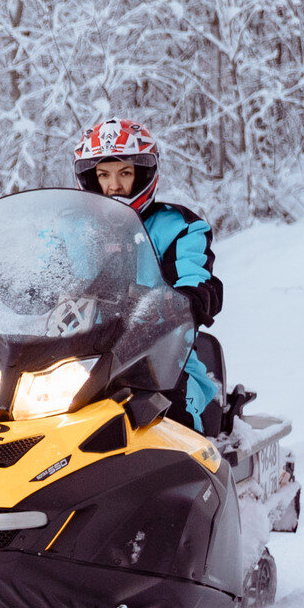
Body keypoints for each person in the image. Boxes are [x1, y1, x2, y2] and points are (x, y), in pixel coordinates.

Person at [72, 119, 225, 432]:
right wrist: (6, 284)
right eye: (103, 175)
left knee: (173, 422)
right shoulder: (72, 230)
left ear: (142, 175)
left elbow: (194, 278)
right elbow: (47, 274)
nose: (113, 186)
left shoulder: (179, 227)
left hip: (158, 359)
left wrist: (176, 301)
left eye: (124, 173)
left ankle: (194, 472)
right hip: (78, 359)